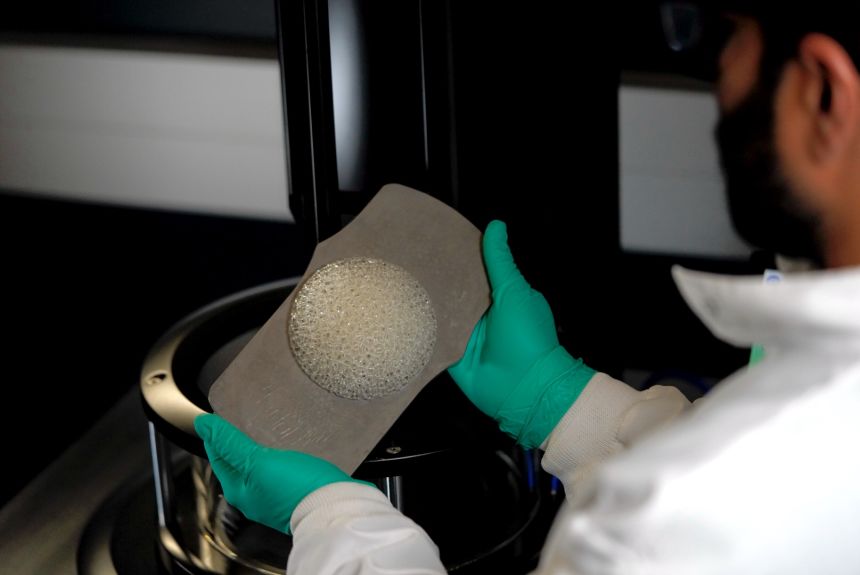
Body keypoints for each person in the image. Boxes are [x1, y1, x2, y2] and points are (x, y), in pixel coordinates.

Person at [193, 1, 860, 572]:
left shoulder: (680, 523)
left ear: (825, 92)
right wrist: (567, 403)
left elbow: (710, 516)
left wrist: (335, 520)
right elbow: (742, 494)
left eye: (725, 41)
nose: (721, 83)